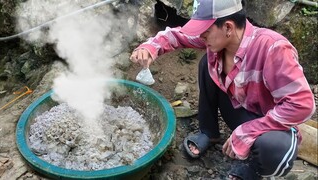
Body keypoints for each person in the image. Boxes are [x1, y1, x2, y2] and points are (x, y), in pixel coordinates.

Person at [129, 0, 316, 179]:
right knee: (206, 63)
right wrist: (150, 47)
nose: (200, 36)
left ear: (228, 27)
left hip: (270, 124)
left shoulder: (273, 49)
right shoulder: (218, 39)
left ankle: (254, 172)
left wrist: (248, 131)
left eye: (205, 31)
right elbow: (176, 35)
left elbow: (303, 105)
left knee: (274, 151)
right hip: (240, 109)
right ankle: (209, 133)